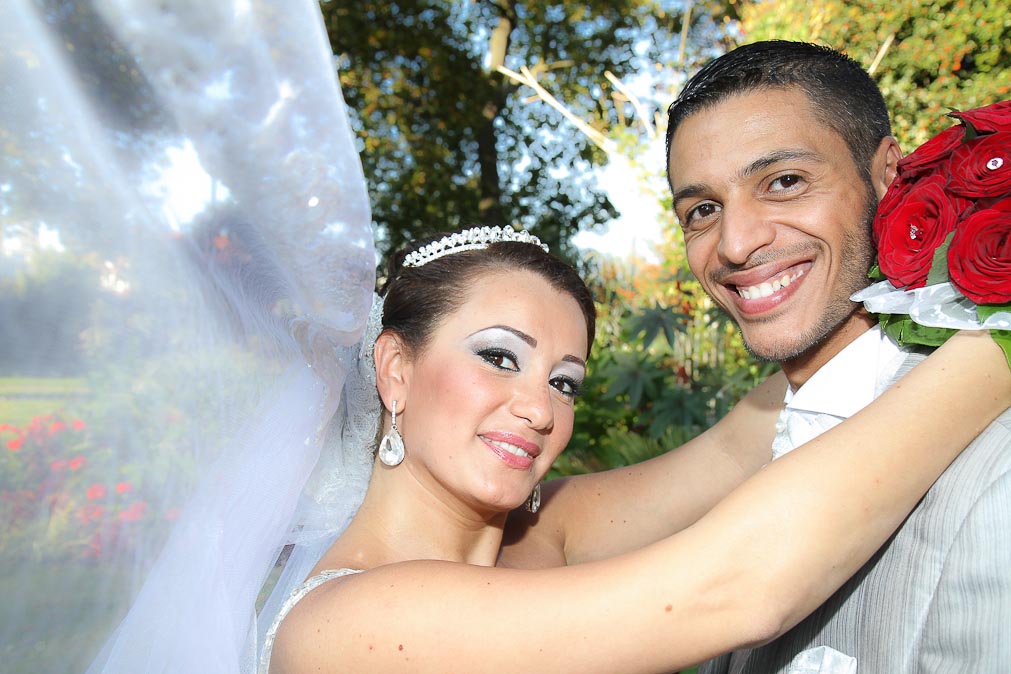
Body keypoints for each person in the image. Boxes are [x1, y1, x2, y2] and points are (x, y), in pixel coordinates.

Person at [252, 225, 1009, 674]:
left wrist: (934, 265)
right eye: (499, 357)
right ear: (396, 369)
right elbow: (738, 588)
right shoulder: (346, 624)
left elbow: (736, 447)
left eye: (565, 382)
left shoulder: (538, 533)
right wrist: (998, 340)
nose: (539, 409)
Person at [501, 41, 1011, 673]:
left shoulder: (994, 472)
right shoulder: (761, 432)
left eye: (784, 182)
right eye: (703, 210)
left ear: (888, 175)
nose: (736, 244)